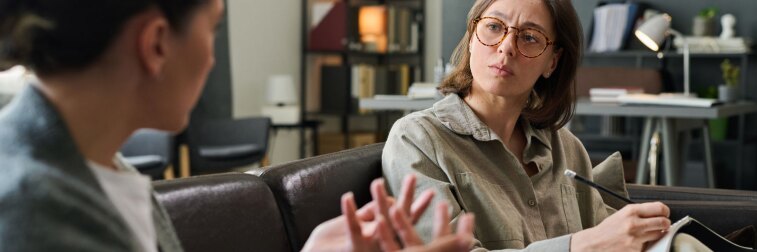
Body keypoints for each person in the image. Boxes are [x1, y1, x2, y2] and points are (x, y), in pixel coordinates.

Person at [0, 0, 473, 251]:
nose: (211, 57)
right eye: (215, 29)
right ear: (157, 44)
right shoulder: (32, 214)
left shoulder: (104, 168)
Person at [382, 0, 671, 251]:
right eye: (494, 27)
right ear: (472, 36)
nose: (506, 47)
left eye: (530, 37)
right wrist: (581, 246)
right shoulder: (417, 140)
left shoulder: (567, 148)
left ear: (552, 62)